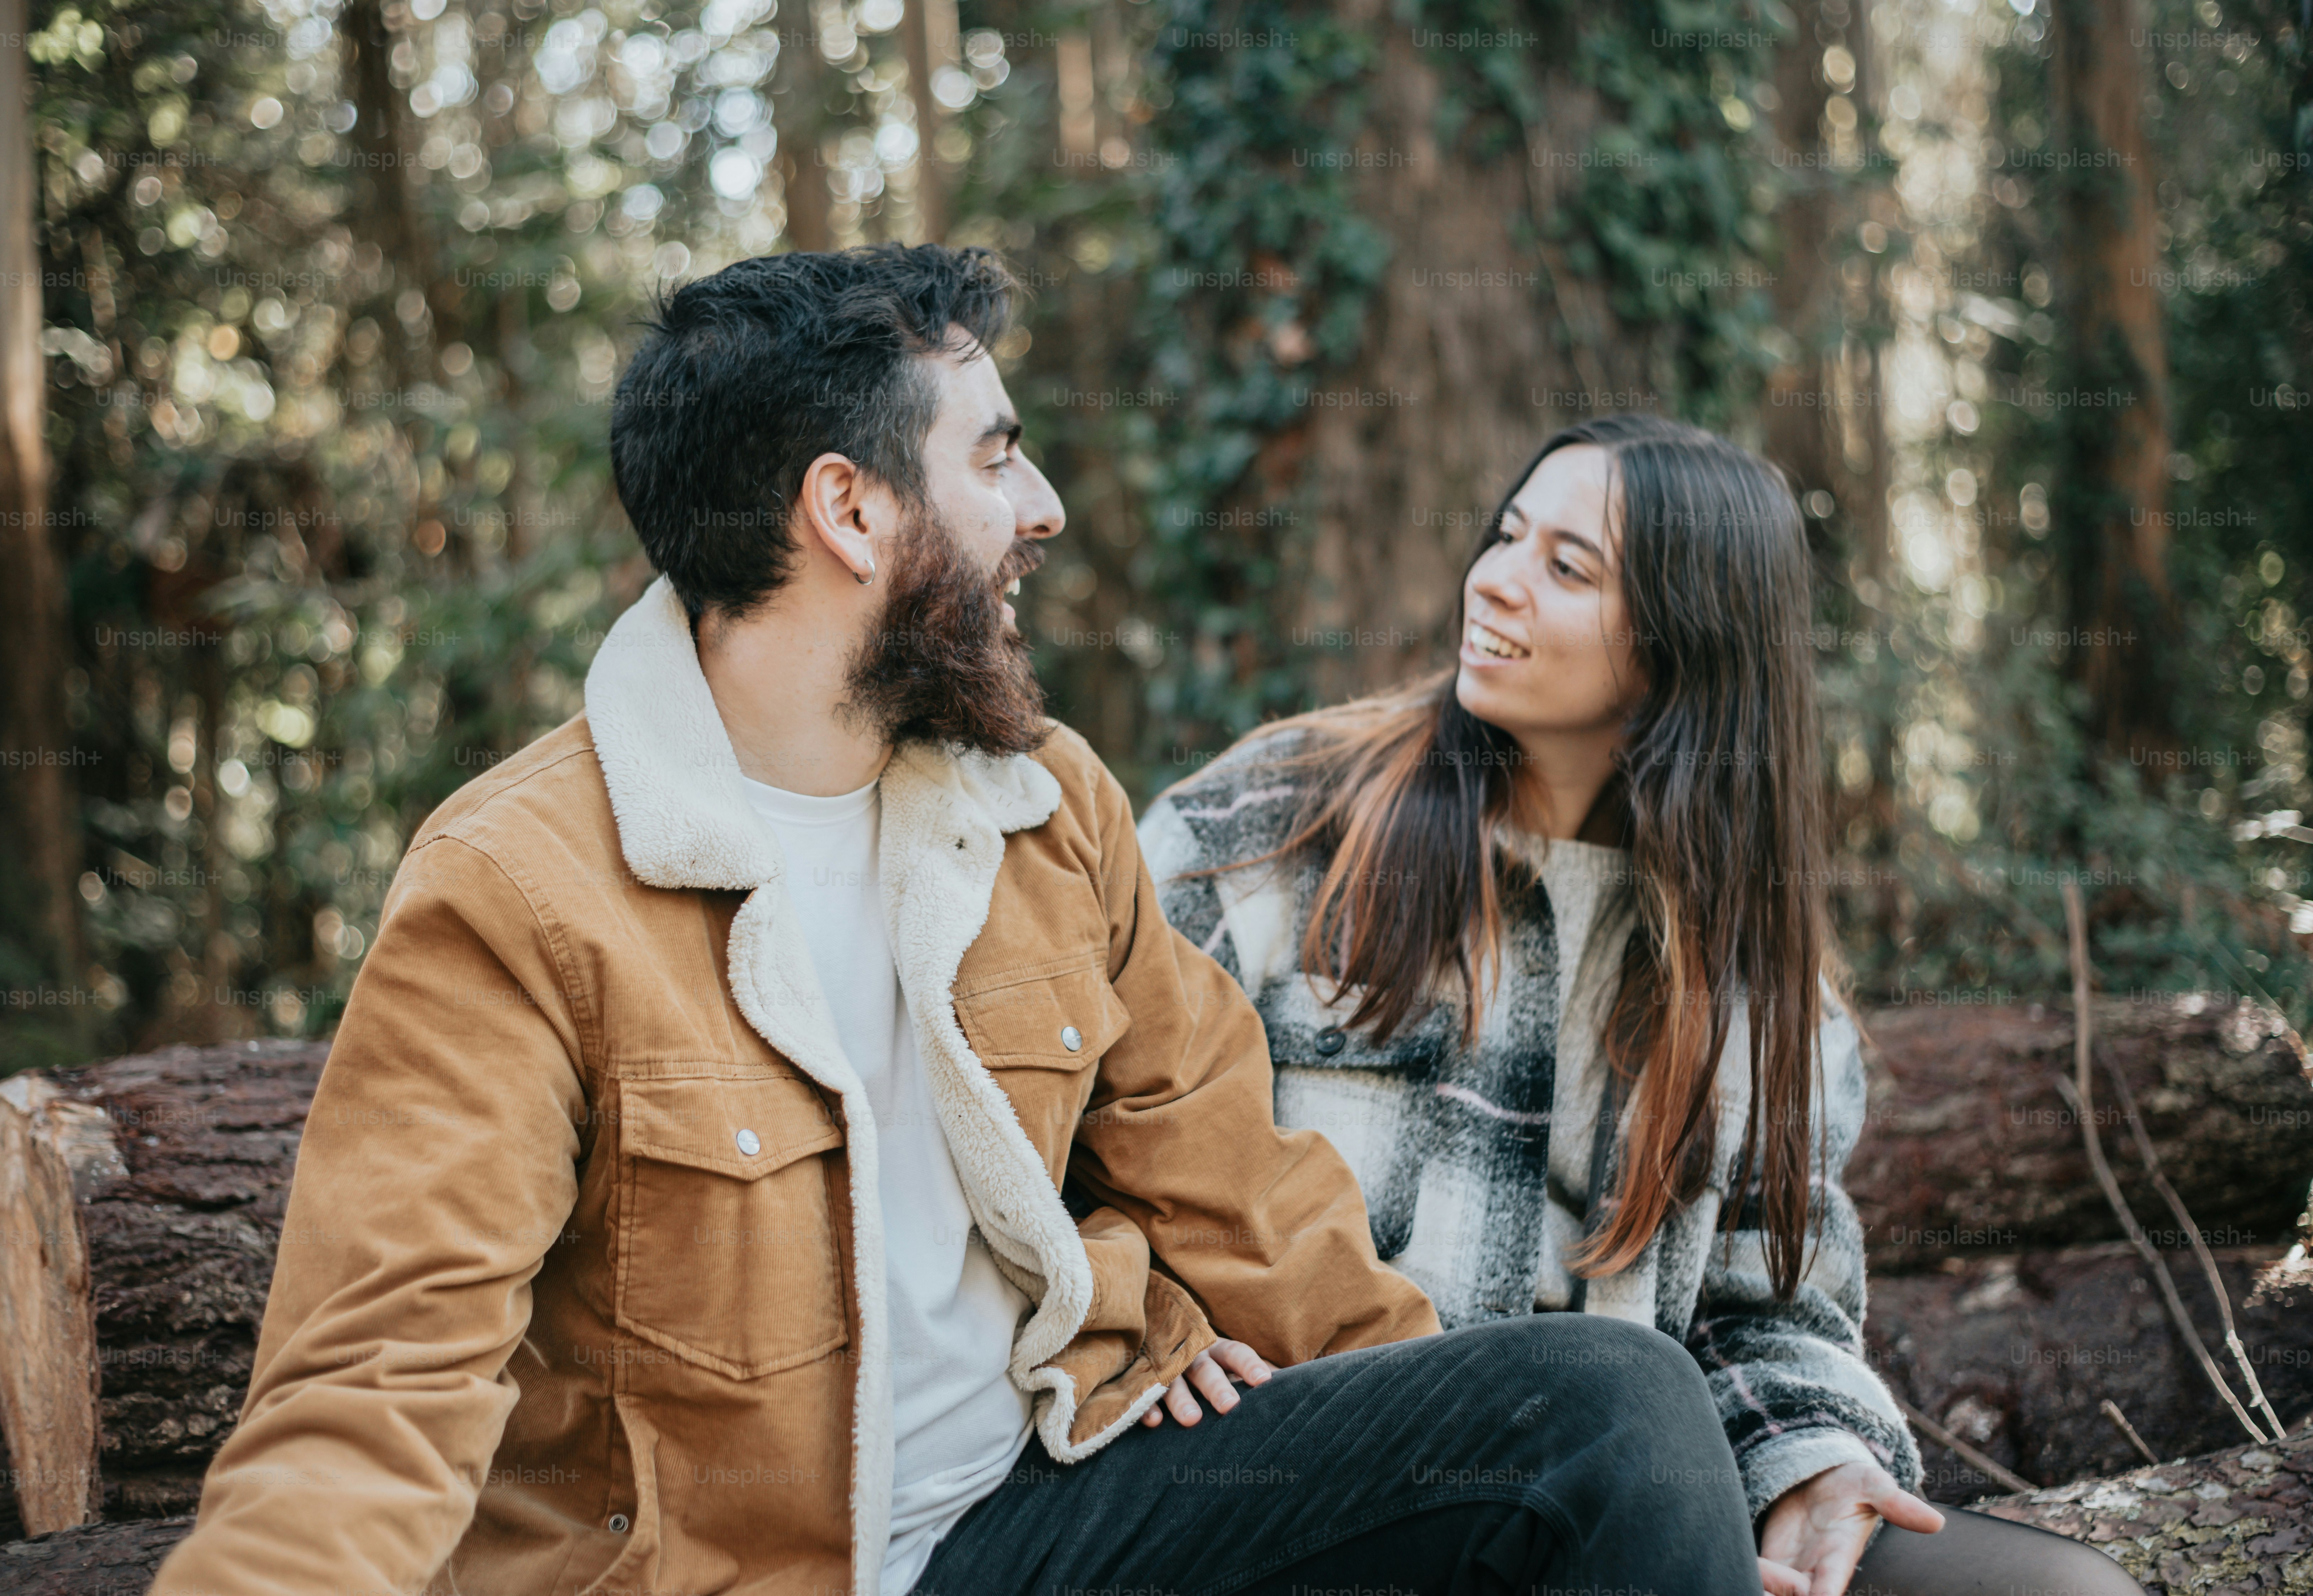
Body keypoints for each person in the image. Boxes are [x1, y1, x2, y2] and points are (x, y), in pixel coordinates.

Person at [145, 251, 1770, 1596]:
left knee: (1610, 1416)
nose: (1043, 506)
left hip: (1036, 1525)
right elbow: (371, 1405)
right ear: (848, 512)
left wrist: (1473, 1468)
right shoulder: (519, 894)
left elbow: (1253, 1210)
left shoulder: (1042, 805)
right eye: (995, 455)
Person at [1140, 415, 2152, 1596]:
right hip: (1308, 1488)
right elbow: (1090, 1138)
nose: (1495, 583)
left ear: (1687, 646)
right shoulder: (1272, 830)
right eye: (1508, 536)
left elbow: (1765, 1308)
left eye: (1567, 568)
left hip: (1622, 1513)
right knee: (1617, 1404)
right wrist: (1146, 1312)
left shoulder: (1756, 978)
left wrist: (1816, 1467)